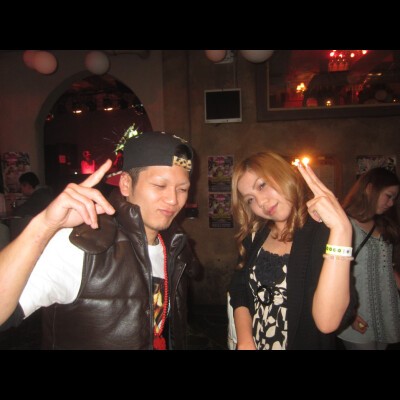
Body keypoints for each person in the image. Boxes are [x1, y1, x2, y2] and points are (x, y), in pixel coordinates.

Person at [0, 131, 200, 350]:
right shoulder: (82, 245)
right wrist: (44, 226)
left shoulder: (174, 247)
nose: (173, 199)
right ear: (126, 184)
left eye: (182, 189)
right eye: (160, 186)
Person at [228, 152, 356, 350]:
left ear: (284, 175)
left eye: (262, 185)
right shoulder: (255, 235)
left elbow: (327, 323)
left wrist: (341, 229)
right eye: (250, 199)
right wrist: (245, 341)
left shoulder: (323, 234)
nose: (260, 202)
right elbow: (240, 287)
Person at [337, 167, 400, 350]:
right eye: (388, 196)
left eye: (394, 198)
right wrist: (349, 314)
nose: (391, 203)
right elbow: (332, 274)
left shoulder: (382, 223)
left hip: (386, 308)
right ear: (370, 188)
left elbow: (385, 267)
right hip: (358, 309)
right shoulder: (343, 225)